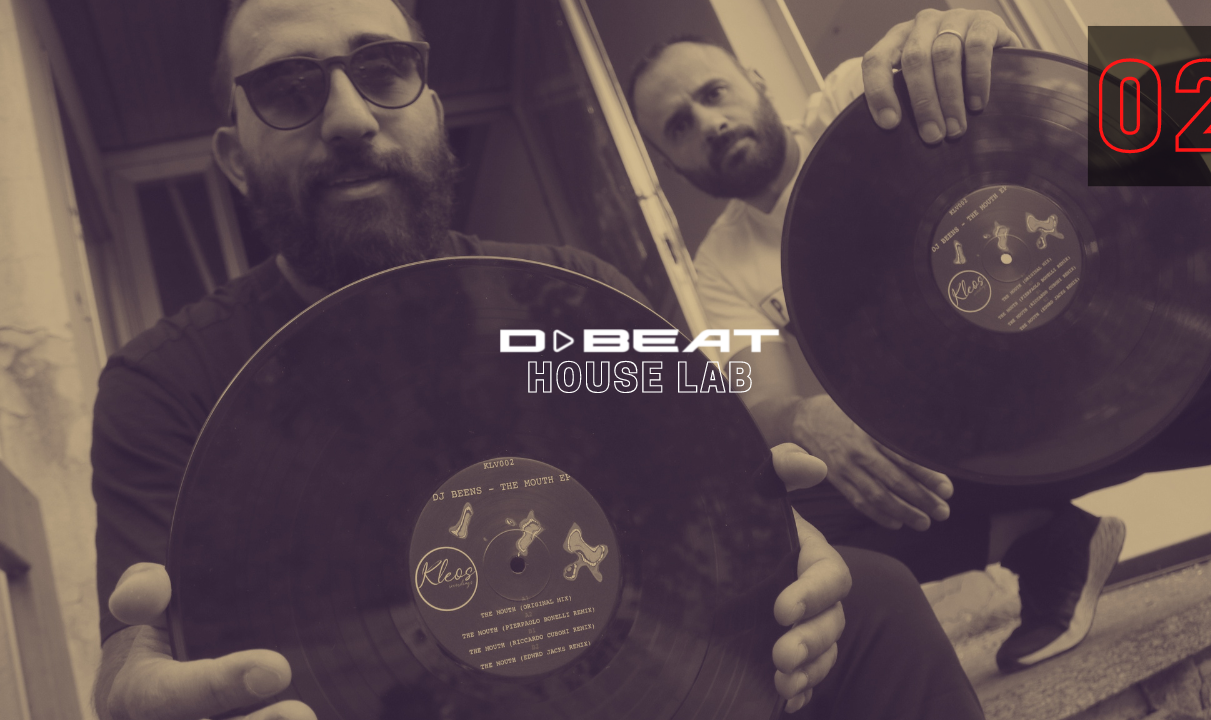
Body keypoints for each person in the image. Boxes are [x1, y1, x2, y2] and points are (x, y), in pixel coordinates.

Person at [89, 1, 989, 718]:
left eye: (384, 69)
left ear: (434, 110)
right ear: (233, 159)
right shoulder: (162, 385)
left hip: (631, 675)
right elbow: (137, 646)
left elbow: (711, 486)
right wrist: (129, 691)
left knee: (871, 596)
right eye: (288, 89)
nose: (351, 118)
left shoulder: (573, 298)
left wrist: (781, 547)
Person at [628, 8, 1211, 675]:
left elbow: (965, 60)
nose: (708, 123)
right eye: (679, 125)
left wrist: (960, 36)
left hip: (1127, 363)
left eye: (713, 93)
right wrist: (802, 416)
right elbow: (762, 397)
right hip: (981, 451)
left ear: (757, 81)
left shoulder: (857, 98)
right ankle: (1048, 542)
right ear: (669, 163)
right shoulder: (719, 266)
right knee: (779, 524)